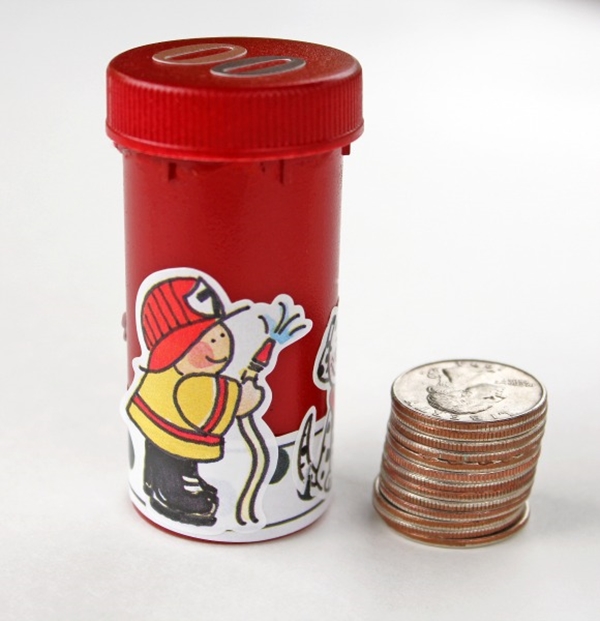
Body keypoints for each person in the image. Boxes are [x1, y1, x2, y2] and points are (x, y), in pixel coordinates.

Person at [126, 275, 264, 526]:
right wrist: (248, 394)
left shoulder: (162, 375)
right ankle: (173, 493)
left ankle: (153, 479)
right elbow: (238, 402)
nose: (220, 342)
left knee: (157, 450)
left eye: (220, 332)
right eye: (208, 338)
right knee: (174, 461)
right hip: (171, 434)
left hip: (151, 419)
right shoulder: (193, 383)